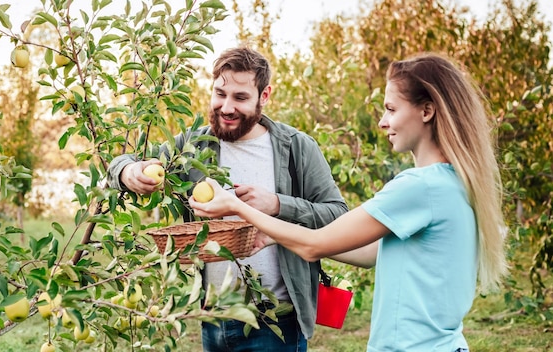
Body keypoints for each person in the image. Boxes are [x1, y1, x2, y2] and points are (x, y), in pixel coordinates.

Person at [189, 52, 508, 352]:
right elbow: (371, 253)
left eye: (391, 109)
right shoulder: (452, 181)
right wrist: (275, 236)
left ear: (426, 111)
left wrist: (235, 205)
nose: (383, 122)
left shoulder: (419, 187)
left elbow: (315, 245)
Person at [107, 46, 348, 351]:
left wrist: (277, 204)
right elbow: (122, 164)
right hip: (212, 317)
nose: (227, 107)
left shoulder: (296, 147)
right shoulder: (194, 145)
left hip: (274, 322)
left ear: (265, 96)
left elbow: (339, 215)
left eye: (241, 97)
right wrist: (129, 172)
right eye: (220, 94)